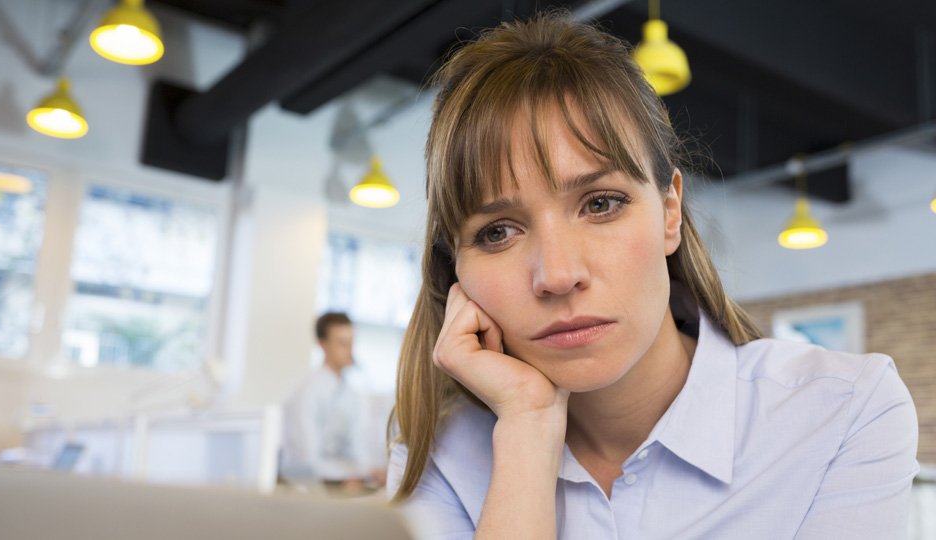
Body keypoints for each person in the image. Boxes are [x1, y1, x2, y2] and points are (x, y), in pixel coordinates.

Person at [387, 12, 919, 539]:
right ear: (455, 268)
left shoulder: (845, 410)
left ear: (670, 213)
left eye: (600, 203)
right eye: (497, 232)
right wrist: (527, 427)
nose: (557, 274)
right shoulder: (437, 452)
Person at [281, 312, 382, 495]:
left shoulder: (351, 394)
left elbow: (356, 449)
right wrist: (355, 473)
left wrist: (370, 472)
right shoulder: (306, 393)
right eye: (342, 343)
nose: (350, 350)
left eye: (351, 342)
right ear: (322, 344)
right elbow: (306, 462)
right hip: (302, 486)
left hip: (338, 482)